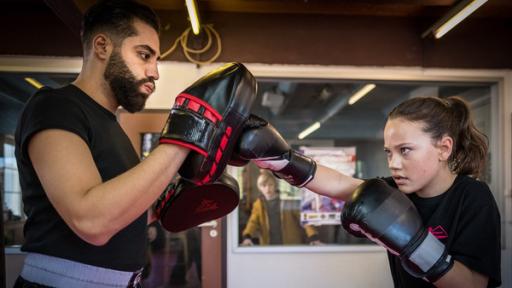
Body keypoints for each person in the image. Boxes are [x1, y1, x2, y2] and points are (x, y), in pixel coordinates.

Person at [13, 1, 252, 287]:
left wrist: (178, 195)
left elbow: (121, 214)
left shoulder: (114, 128)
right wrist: (187, 132)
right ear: (102, 47)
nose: (154, 72)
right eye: (144, 55)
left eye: (156, 59)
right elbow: (91, 222)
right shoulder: (55, 107)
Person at [236, 96, 501, 287]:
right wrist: (282, 159)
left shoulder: (473, 197)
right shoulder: (391, 191)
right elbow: (340, 184)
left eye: (405, 150)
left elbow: (473, 285)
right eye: (389, 152)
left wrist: (415, 245)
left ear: (444, 148)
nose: (394, 163)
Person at [241, 170, 320, 246]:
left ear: (275, 185)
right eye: (264, 186)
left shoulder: (287, 200)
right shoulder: (258, 205)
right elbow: (253, 222)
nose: (267, 189)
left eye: (270, 185)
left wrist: (313, 236)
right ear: (259, 188)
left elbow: (303, 219)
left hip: (290, 244)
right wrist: (247, 236)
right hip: (269, 245)